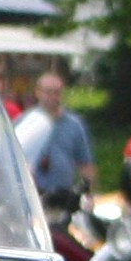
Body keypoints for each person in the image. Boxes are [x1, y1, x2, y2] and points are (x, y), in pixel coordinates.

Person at [23, 69, 93, 213]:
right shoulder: (26, 122)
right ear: (38, 92)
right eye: (48, 91)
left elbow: (86, 164)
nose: (52, 96)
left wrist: (89, 195)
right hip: (33, 197)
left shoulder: (75, 125)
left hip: (64, 197)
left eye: (57, 92)